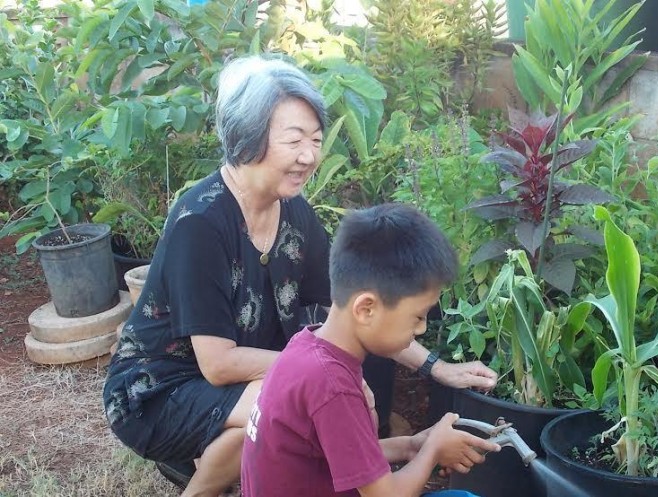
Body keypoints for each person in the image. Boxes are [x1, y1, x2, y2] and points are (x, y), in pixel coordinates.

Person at [103, 55, 496, 496]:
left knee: (305, 401)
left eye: (316, 139)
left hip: (250, 372)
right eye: (293, 140)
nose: (309, 155)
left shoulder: (293, 211)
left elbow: (358, 306)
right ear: (249, 138)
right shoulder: (201, 221)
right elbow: (217, 365)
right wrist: (329, 378)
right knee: (282, 410)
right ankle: (200, 484)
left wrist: (437, 368)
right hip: (163, 388)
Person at [241, 203, 500, 497]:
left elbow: (338, 453)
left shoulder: (306, 347)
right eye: (418, 316)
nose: (422, 329)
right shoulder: (331, 385)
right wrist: (433, 451)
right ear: (366, 308)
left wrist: (412, 445)